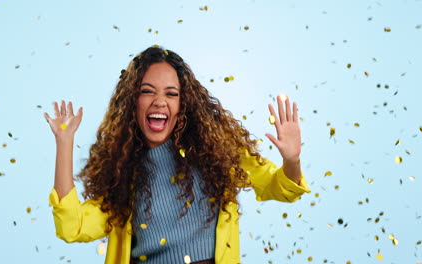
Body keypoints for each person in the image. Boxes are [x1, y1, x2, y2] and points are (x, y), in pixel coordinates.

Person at [44, 46, 310, 264]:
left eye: (171, 94)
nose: (160, 101)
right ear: (131, 102)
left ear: (183, 104)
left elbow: (282, 189)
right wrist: (64, 143)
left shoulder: (217, 153)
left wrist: (292, 160)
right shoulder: (122, 177)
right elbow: (72, 227)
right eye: (147, 91)